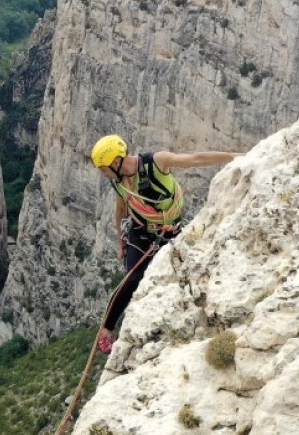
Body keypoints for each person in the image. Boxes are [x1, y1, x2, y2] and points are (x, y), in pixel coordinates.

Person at [90, 135, 239, 353]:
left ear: (116, 162)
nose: (104, 174)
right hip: (140, 233)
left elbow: (195, 159)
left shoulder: (156, 163)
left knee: (173, 283)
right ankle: (106, 330)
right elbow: (121, 209)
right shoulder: (119, 182)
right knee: (132, 279)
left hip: (169, 233)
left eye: (104, 169)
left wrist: (234, 156)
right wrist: (121, 241)